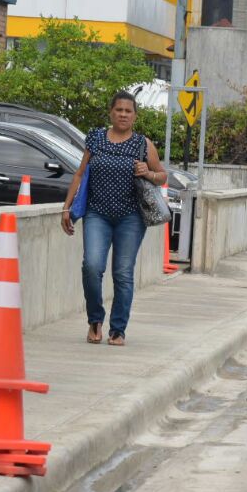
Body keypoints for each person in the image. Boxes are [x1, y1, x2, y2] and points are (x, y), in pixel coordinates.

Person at [61, 91, 167, 346]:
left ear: (135, 116)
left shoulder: (143, 144)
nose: (123, 114)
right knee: (92, 266)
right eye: (118, 110)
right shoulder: (96, 138)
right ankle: (95, 320)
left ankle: (118, 329)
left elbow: (163, 176)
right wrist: (67, 208)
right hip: (97, 213)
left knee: (122, 273)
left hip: (131, 218)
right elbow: (79, 174)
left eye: (128, 111)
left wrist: (148, 173)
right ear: (111, 112)